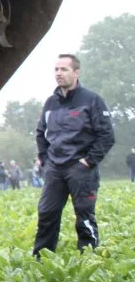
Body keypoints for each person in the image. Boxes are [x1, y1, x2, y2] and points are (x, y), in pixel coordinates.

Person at [33, 54, 115, 255]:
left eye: (64, 69)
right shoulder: (51, 102)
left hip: (81, 168)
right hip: (55, 169)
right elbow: (40, 132)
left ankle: (88, 257)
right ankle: (42, 258)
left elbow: (106, 135)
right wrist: (45, 159)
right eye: (56, 69)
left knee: (84, 215)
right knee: (46, 213)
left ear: (76, 73)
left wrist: (89, 161)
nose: (58, 74)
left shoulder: (92, 100)